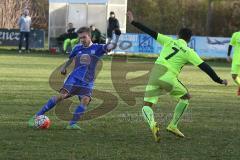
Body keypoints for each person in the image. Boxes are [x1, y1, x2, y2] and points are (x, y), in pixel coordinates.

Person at [127, 11, 228, 142]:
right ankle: (173, 125)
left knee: (146, 105)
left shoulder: (169, 41)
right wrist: (218, 80)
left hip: (155, 74)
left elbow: (150, 32)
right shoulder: (189, 51)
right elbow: (205, 67)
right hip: (168, 77)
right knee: (186, 97)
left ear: (178, 36)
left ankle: (152, 124)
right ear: (189, 39)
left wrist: (133, 22)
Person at [28, 26, 120, 129]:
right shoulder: (77, 48)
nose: (82, 40)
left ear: (90, 36)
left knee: (85, 100)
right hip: (74, 78)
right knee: (62, 96)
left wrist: (116, 36)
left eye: (84, 37)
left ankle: (72, 124)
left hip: (87, 81)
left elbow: (111, 46)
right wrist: (64, 68)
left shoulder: (97, 48)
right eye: (80, 38)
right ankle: (36, 117)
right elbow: (70, 59)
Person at [227, 31, 240, 95]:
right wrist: (228, 55)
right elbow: (230, 45)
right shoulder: (235, 34)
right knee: (234, 76)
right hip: (236, 59)